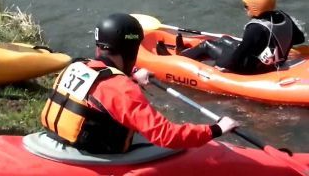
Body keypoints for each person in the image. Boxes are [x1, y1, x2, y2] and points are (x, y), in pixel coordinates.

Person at [41, 13, 238, 154]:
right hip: (98, 151)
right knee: (173, 149)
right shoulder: (122, 88)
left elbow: (99, 83)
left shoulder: (78, 65)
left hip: (61, 139)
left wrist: (134, 74)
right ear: (130, 51)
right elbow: (166, 136)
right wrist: (216, 129)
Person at [180, 0, 305, 74]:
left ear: (255, 7)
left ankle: (180, 57)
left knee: (206, 44)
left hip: (252, 68)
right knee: (225, 39)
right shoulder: (283, 16)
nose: (246, 9)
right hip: (275, 61)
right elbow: (300, 39)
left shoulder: (255, 27)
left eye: (247, 6)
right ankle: (192, 52)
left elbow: (238, 56)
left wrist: (225, 67)